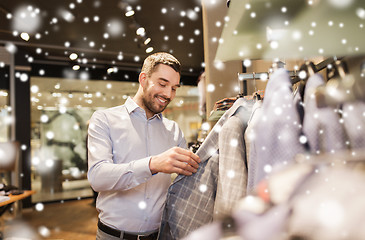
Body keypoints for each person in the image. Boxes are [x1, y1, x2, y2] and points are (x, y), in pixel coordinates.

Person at [87, 52, 201, 240]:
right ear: (143, 79)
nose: (168, 94)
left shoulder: (174, 130)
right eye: (162, 84)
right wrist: (152, 164)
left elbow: (185, 185)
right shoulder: (104, 119)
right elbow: (98, 177)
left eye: (174, 88)